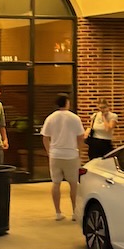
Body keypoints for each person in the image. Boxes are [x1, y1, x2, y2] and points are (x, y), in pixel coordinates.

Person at [41, 93, 85, 221]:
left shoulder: (51, 118)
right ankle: (75, 212)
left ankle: (58, 212)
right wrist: (79, 152)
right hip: (71, 154)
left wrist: (49, 152)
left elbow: (45, 137)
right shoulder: (74, 118)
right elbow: (81, 137)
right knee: (73, 184)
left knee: (56, 183)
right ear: (67, 102)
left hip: (55, 154)